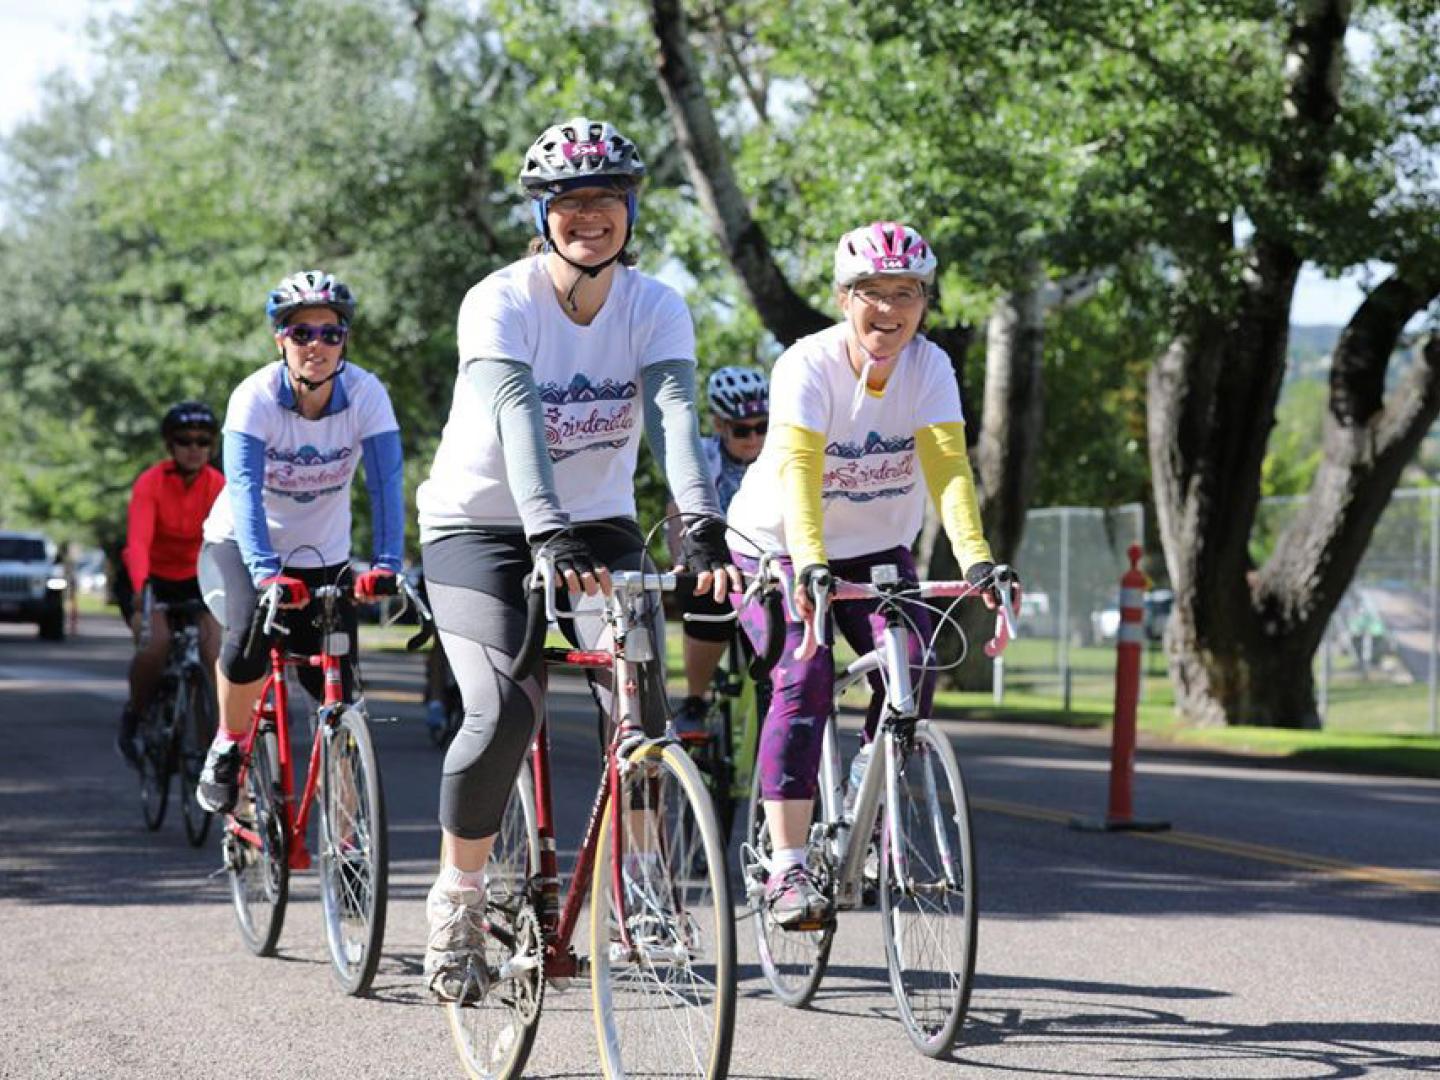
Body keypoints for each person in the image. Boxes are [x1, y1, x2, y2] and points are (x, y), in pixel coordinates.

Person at [414, 116, 738, 1002]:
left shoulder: (655, 305)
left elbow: (675, 414)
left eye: (606, 199)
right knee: (502, 710)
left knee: (642, 709)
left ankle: (642, 889)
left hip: (596, 525)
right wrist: (544, 528)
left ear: (630, 210)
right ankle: (458, 897)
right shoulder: (499, 301)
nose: (589, 215)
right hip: (479, 527)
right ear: (542, 214)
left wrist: (702, 522)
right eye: (569, 201)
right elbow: (518, 414)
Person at [727, 221, 1020, 928]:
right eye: (872, 293)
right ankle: (788, 865)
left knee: (913, 667)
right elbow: (800, 470)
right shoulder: (807, 365)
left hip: (877, 546)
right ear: (843, 297)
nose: (889, 310)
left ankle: (867, 789)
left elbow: (949, 469)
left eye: (906, 293)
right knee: (805, 675)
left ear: (924, 302)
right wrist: (810, 562)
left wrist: (977, 558)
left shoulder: (930, 367)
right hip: (778, 543)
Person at [194, 270, 406, 814]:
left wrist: (387, 563)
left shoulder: (367, 394)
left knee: (339, 692)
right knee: (248, 636)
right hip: (241, 548)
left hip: (323, 558)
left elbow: (385, 484)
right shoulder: (255, 397)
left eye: (330, 333)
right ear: (280, 340)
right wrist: (265, 572)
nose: (317, 345)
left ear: (344, 340)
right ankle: (228, 744)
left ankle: (350, 829)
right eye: (302, 333)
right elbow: (243, 488)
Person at [114, 402, 226, 768]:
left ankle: (218, 743)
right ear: (170, 445)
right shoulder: (151, 482)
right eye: (184, 441)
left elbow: (227, 541)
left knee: (214, 652)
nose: (194, 448)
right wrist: (141, 589)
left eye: (203, 441)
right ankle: (135, 715)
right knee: (155, 645)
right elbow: (138, 543)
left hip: (197, 577)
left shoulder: (218, 485)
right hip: (150, 577)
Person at [666, 365, 769, 737]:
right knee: (707, 601)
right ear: (720, 425)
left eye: (762, 427)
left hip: (765, 562)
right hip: (717, 559)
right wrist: (684, 560)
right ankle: (695, 699)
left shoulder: (779, 454)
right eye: (742, 430)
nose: (753, 438)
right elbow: (678, 516)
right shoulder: (705, 456)